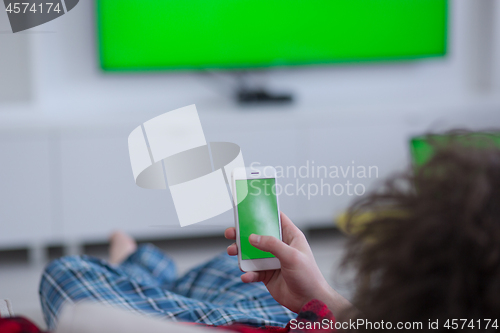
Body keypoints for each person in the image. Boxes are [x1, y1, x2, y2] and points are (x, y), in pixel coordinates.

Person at [39, 133, 500, 332]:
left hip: (263, 325)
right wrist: (325, 296)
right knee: (231, 269)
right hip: (310, 314)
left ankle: (135, 261)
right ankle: (138, 264)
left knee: (68, 275)